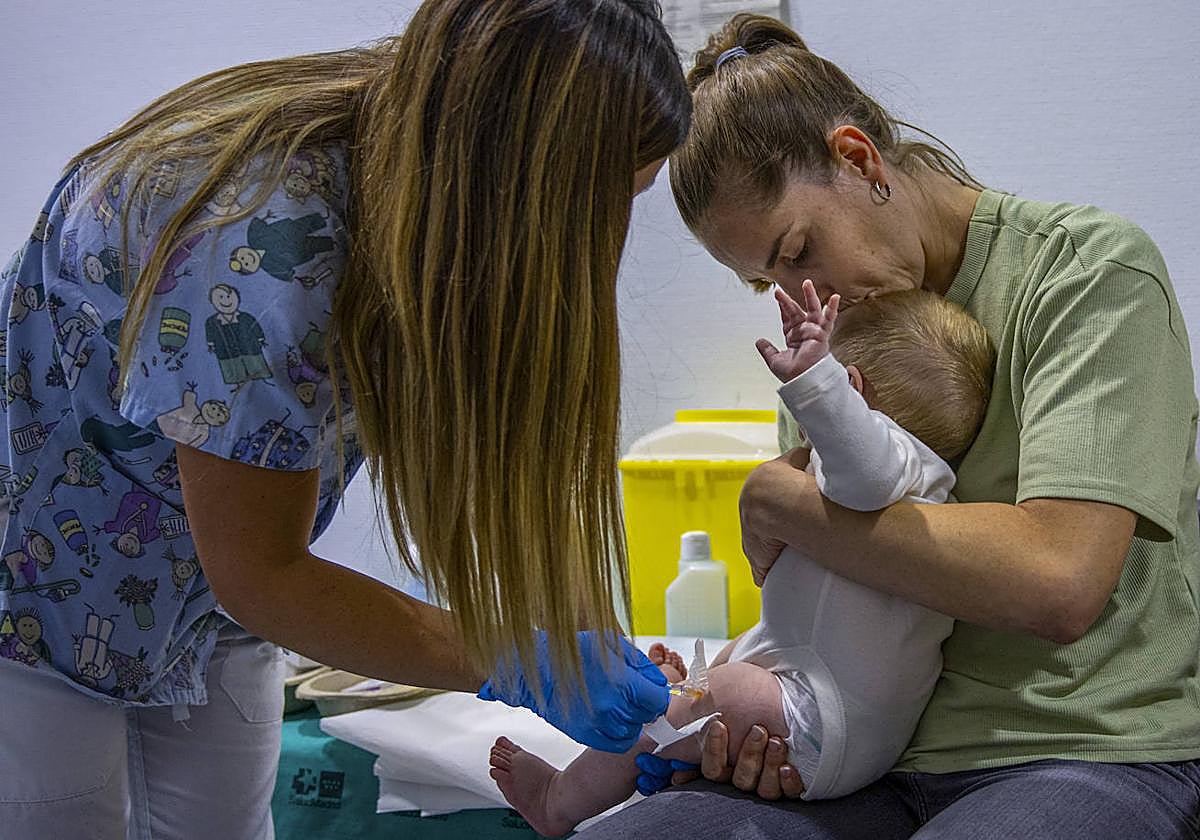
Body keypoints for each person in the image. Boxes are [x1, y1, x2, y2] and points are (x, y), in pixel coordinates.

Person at [0, 1, 689, 836]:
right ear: (519, 173)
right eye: (606, 201)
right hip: (40, 586)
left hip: (198, 593)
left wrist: (578, 635)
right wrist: (517, 658)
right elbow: (262, 575)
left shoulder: (423, 188)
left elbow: (503, 460)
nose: (602, 243)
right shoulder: (263, 241)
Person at [579, 13, 1200, 840]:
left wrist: (781, 503)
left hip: (1082, 744)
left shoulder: (1086, 273)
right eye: (767, 282)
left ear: (859, 158)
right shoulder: (829, 344)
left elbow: (1059, 581)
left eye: (798, 249)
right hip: (868, 757)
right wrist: (741, 707)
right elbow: (820, 596)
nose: (800, 293)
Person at [489, 282, 994, 836]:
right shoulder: (918, 492)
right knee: (728, 667)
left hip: (822, 717)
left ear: (851, 390)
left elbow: (864, 463)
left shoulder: (898, 470)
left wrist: (814, 379)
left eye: (830, 387)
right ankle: (682, 691)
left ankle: (561, 799)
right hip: (838, 716)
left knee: (703, 699)